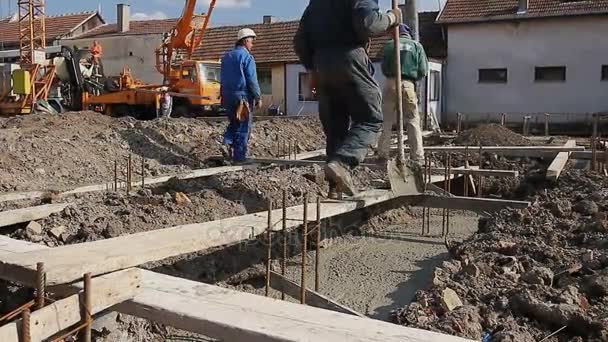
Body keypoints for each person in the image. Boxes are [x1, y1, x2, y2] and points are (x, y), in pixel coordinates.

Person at [294, 0, 401, 196]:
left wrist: (311, 69)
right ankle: (343, 164)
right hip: (349, 59)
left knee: (335, 129)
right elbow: (368, 23)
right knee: (370, 119)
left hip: (322, 65)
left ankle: (335, 188)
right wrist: (392, 17)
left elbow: (300, 40)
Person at [377, 24, 428, 164]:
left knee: (386, 121)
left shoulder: (388, 46)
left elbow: (384, 67)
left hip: (391, 83)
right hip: (408, 84)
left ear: (395, 33)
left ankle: (382, 153)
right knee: (412, 120)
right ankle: (417, 157)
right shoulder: (417, 46)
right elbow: (423, 70)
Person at [220, 28, 262, 163]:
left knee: (234, 122)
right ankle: (240, 158)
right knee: (244, 126)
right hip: (242, 97)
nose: (252, 45)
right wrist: (258, 97)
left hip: (227, 96)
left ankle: (227, 141)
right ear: (245, 41)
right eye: (251, 42)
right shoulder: (247, 57)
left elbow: (222, 78)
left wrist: (222, 95)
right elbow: (251, 79)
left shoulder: (226, 57)